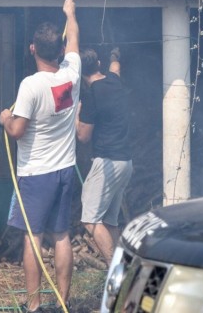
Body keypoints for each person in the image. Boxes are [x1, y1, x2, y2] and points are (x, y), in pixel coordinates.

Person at [0, 0, 80, 313]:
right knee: (62, 235)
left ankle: (33, 306)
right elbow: (73, 35)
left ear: (33, 49)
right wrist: (70, 13)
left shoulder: (30, 85)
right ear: (60, 50)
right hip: (65, 170)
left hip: (36, 174)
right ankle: (64, 300)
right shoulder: (71, 73)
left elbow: (17, 131)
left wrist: (4, 117)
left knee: (33, 238)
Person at [76, 46, 133, 263]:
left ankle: (116, 271)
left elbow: (83, 136)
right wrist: (115, 54)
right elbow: (116, 67)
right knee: (110, 223)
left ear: (80, 74)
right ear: (98, 64)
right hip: (125, 163)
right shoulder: (114, 81)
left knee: (90, 220)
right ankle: (125, 269)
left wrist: (76, 117)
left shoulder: (91, 95)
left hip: (107, 163)